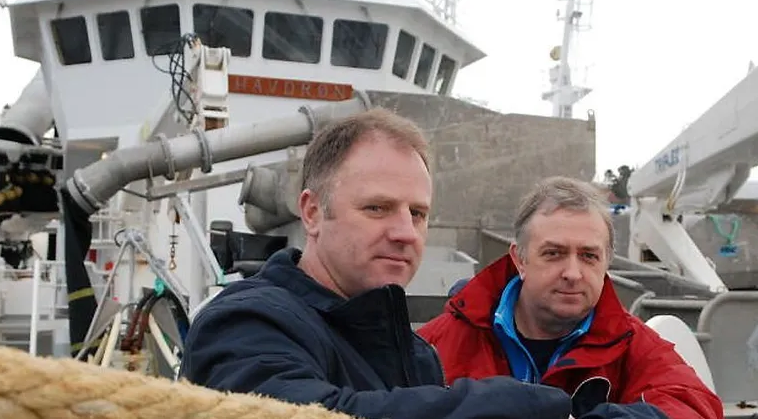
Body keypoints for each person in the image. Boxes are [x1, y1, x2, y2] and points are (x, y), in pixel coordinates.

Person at [181, 108, 577, 419]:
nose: (406, 232)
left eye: (418, 214)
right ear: (313, 212)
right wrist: (514, 404)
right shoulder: (246, 323)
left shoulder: (415, 353)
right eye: (377, 208)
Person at [417, 176, 725, 419]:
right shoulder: (436, 344)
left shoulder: (635, 346)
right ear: (519, 260)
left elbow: (694, 405)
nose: (573, 273)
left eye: (589, 256)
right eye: (554, 253)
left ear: (607, 262)